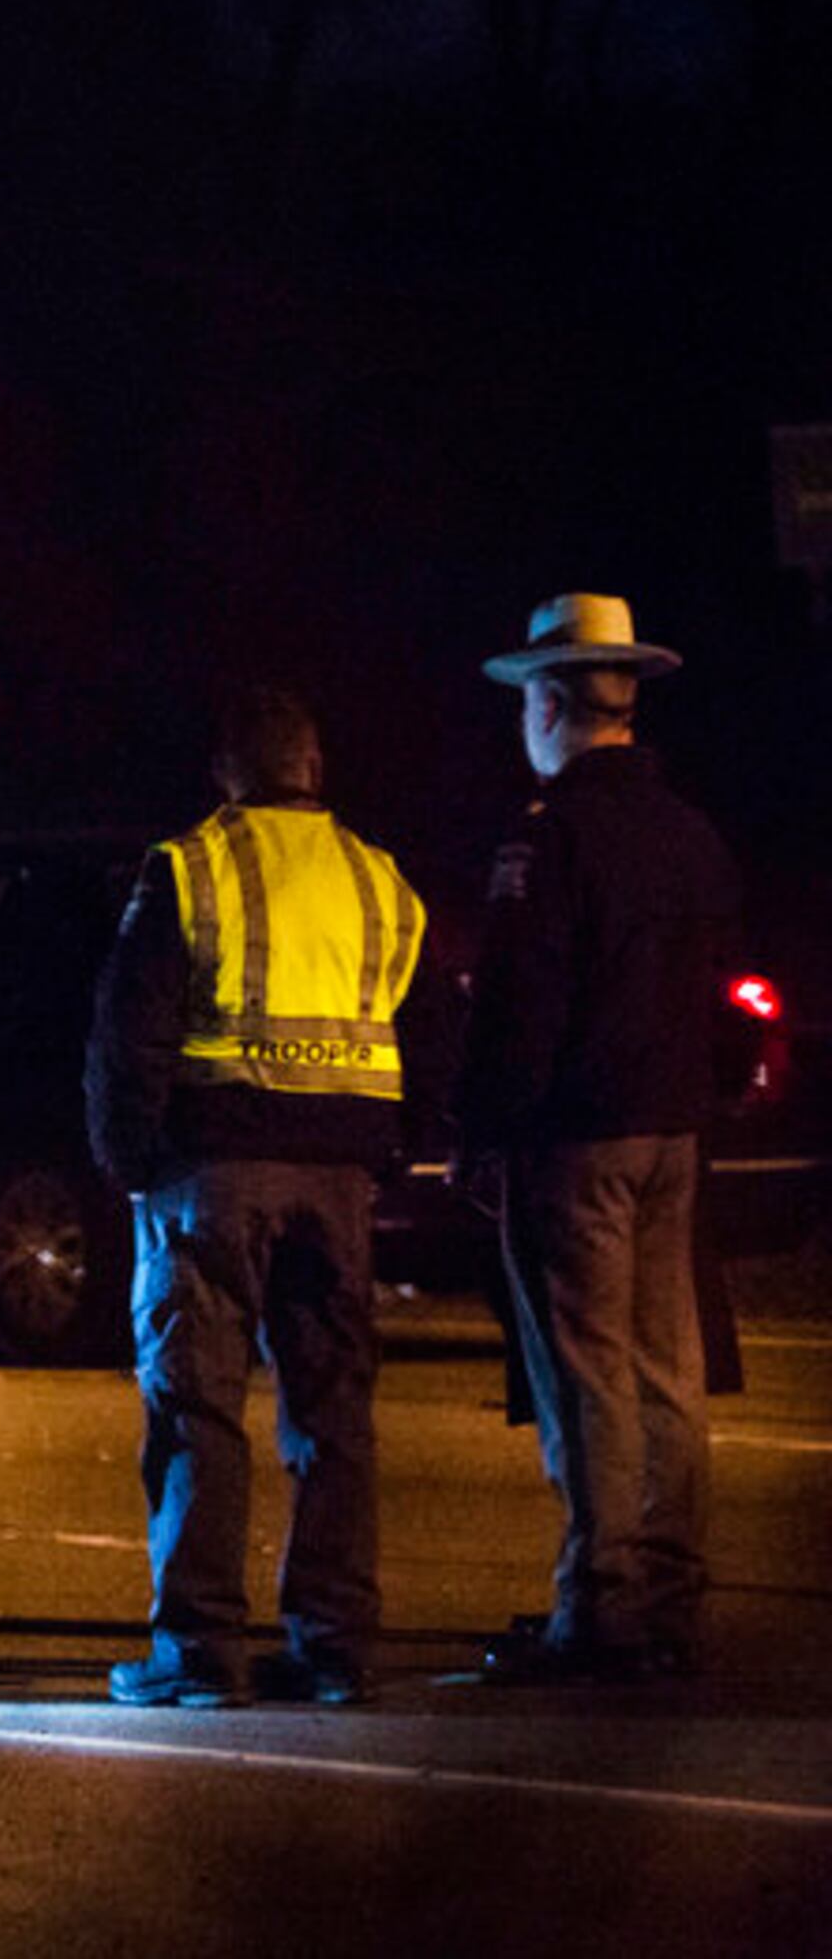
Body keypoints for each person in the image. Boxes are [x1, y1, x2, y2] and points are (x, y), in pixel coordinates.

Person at [86, 684, 439, 1708]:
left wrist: (131, 1159)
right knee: (333, 1414)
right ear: (315, 771)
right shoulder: (379, 879)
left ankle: (199, 1654)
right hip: (337, 1181)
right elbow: (426, 1025)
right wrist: (395, 1148)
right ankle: (337, 1648)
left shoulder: (192, 868)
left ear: (227, 774)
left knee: (199, 1406)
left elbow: (130, 1028)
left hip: (214, 1172)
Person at [458, 594, 744, 1685]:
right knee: (669, 1365)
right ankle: (669, 1595)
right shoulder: (689, 832)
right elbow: (724, 992)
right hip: (675, 1131)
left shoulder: (552, 836)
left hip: (575, 1135)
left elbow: (521, 1004)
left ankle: (598, 1605)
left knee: (587, 1373)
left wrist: (487, 1132)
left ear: (549, 700)